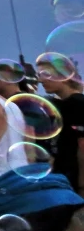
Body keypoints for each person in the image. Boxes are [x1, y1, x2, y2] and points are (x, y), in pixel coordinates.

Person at [40, 64, 84, 193]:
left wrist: (82, 183)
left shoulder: (77, 103)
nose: (41, 80)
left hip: (73, 176)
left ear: (65, 77)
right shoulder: (61, 105)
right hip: (62, 175)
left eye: (47, 75)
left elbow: (82, 144)